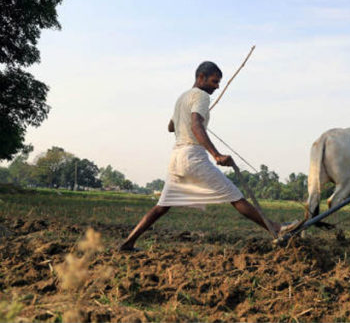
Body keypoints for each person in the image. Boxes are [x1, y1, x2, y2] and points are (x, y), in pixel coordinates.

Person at [119, 61, 298, 251]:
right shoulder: (202, 96)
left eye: (219, 83)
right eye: (214, 81)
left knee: (162, 207)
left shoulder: (182, 97)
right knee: (236, 196)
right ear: (201, 78)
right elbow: (196, 125)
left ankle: (128, 243)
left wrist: (194, 116)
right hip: (192, 157)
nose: (217, 86)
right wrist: (216, 154)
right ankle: (276, 229)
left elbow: (171, 127)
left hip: (176, 158)